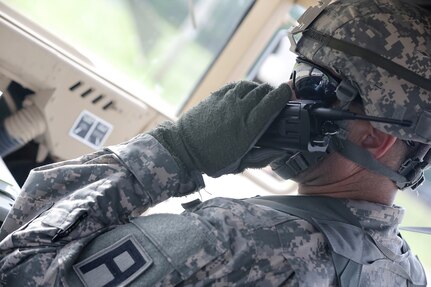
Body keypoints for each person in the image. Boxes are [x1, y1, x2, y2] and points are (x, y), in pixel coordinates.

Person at [0, 0, 430, 286]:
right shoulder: (405, 272)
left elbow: (17, 270)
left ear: (376, 137)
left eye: (314, 84)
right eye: (294, 72)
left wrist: (176, 149)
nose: (286, 93)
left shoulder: (235, 239)